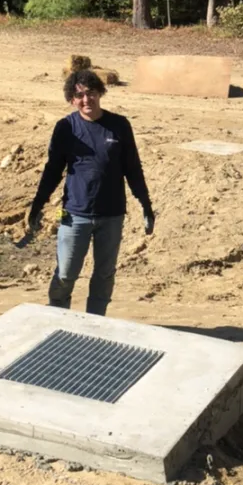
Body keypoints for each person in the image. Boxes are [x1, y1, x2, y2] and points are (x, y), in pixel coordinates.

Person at [27, 69, 154, 316]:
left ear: (100, 93)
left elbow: (133, 169)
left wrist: (146, 205)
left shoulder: (119, 126)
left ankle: (95, 322)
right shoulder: (66, 127)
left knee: (105, 274)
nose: (87, 100)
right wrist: (37, 204)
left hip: (112, 215)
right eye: (79, 95)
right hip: (74, 214)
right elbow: (53, 170)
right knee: (65, 272)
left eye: (91, 93)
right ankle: (57, 318)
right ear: (72, 100)